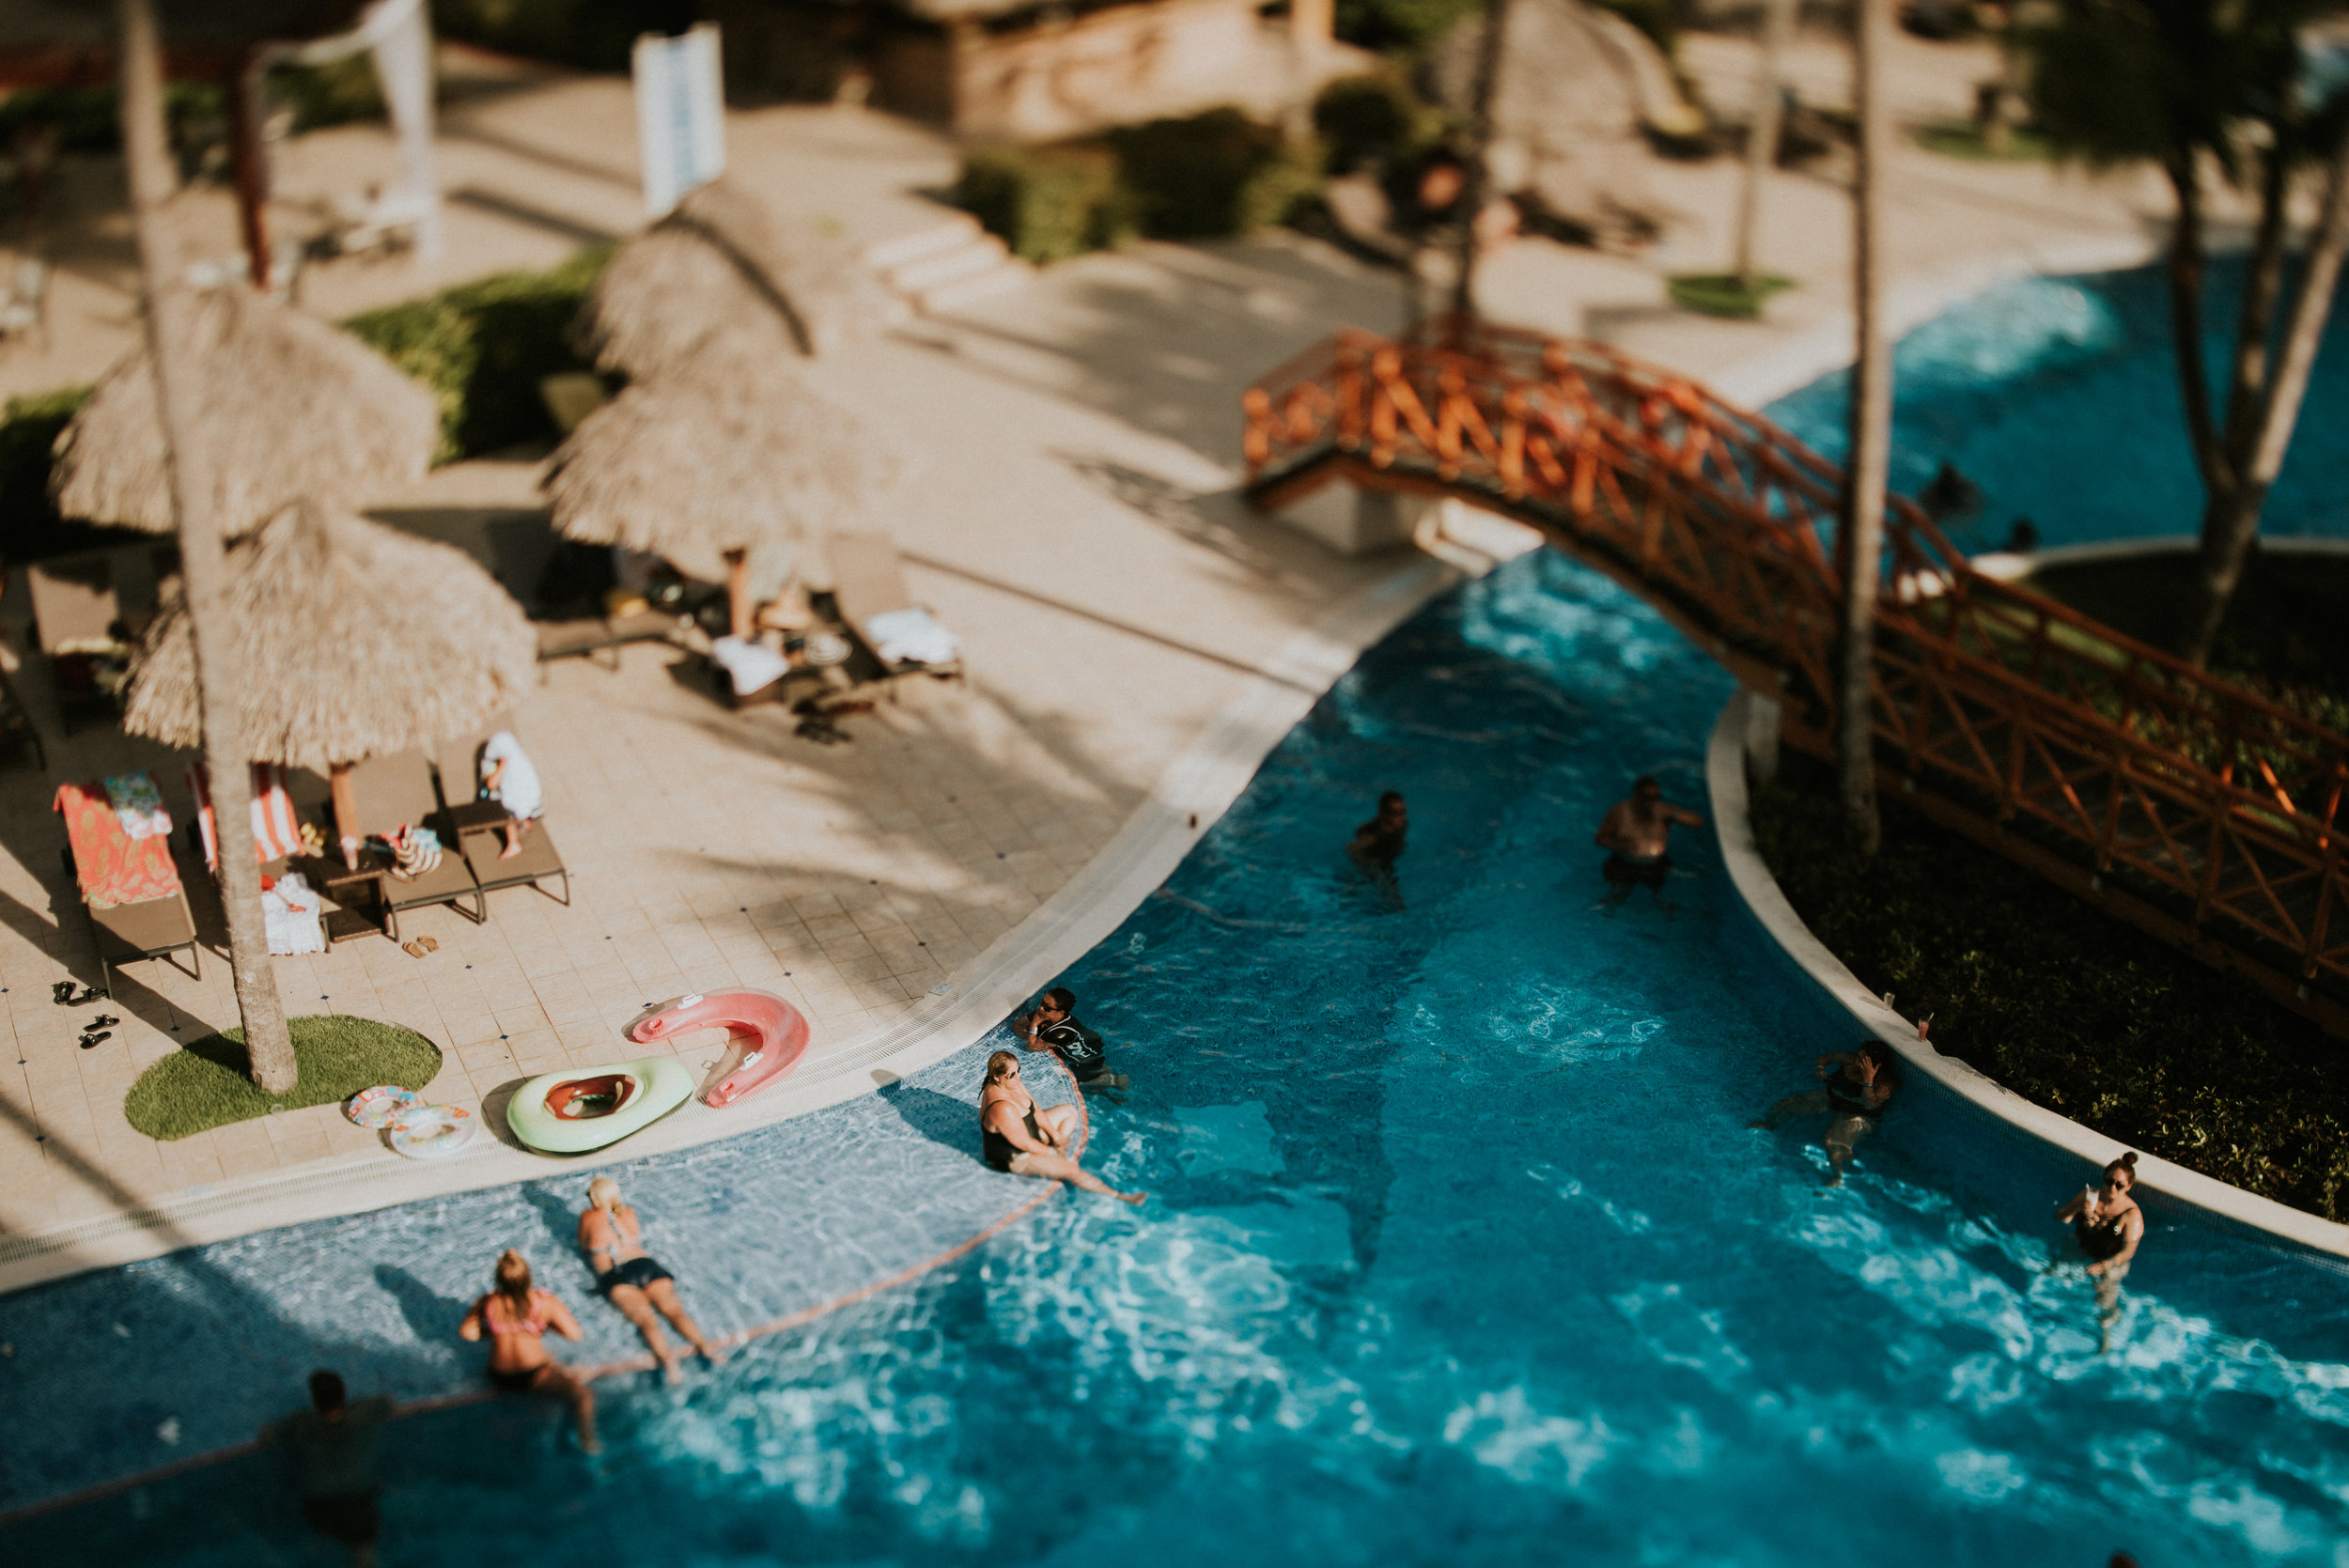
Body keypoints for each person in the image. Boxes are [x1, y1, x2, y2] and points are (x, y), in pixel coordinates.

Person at [577, 1176, 725, 1382]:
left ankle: (670, 1365)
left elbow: (583, 1245)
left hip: (616, 1273)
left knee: (647, 1322)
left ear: (593, 1198)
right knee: (675, 1312)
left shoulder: (587, 1216)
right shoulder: (627, 1212)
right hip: (645, 1266)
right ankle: (706, 1348)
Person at [458, 1250, 598, 1452]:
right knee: (584, 1396)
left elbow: (468, 1333)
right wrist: (543, 1326)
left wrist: (497, 1331)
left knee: (551, 1362)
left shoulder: (488, 1301)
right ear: (527, 1277)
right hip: (534, 1375)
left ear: (499, 1279)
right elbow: (574, 1334)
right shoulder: (544, 1301)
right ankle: (588, 1443)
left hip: (498, 1375)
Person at [1749, 1028, 1910, 1186]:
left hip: (1859, 1113)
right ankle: (1770, 1124)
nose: (1856, 1061)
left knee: (1832, 1141)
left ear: (1876, 1066)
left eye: (1861, 1061)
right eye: (1858, 1056)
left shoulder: (1885, 1083)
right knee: (1787, 1105)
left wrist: (1868, 1079)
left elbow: (1870, 1105)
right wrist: (1820, 1069)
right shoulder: (1849, 1059)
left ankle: (1839, 1178)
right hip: (1834, 1097)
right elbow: (1824, 1059)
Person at [979, 1049, 1144, 1204]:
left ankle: (1059, 1161)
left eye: (1018, 1070)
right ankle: (1123, 1197)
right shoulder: (1001, 1108)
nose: (1017, 1077)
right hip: (1015, 1156)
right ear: (996, 1077)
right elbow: (1025, 1144)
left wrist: (1056, 1137)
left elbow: (1035, 1109)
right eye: (1011, 1074)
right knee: (1072, 1171)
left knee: (1069, 1112)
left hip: (1029, 1133)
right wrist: (1052, 1153)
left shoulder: (1013, 1083)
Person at [268, 1370, 391, 1567]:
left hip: (320, 1506)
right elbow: (387, 1402)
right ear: (344, 1394)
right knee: (363, 1550)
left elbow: (268, 1436)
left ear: (315, 1400)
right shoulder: (362, 1412)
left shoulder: (301, 1423)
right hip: (357, 1502)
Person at [2054, 1152, 2145, 1352]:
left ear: (2129, 1186)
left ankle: (2106, 1332)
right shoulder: (2089, 1196)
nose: (2112, 1188)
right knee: (2056, 1268)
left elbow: (2129, 1251)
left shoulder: (2131, 1214)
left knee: (2104, 1298)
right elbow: (2060, 1217)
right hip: (2086, 1245)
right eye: (2108, 1181)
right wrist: (2078, 1210)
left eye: (2119, 1185)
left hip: (2110, 1258)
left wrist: (2106, 1265)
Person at [1595, 775, 1703, 908]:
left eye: (1656, 797)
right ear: (1636, 796)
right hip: (1625, 864)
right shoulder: (1620, 812)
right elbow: (1600, 838)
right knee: (1615, 898)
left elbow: (1697, 822)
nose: (1651, 802)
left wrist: (1675, 815)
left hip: (1656, 864)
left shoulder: (1663, 811)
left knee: (1660, 899)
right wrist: (1620, 845)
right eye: (1647, 797)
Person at [1019, 986, 1129, 1094]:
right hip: (1084, 1049)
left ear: (1060, 1012)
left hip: (1083, 1062)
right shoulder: (1047, 1014)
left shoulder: (1060, 1033)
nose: (1041, 1008)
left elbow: (1030, 1047)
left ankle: (1115, 1081)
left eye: (1047, 1007)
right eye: (1042, 1003)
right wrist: (1032, 1033)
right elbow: (1017, 1026)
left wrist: (1033, 1024)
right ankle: (1106, 1082)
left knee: (1080, 1084)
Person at [478, 730, 543, 861]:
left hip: (522, 798)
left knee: (514, 801)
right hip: (507, 801)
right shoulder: (491, 763)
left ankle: (518, 833)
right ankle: (518, 833)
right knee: (501, 803)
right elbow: (491, 784)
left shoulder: (517, 759)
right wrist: (503, 763)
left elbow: (526, 779)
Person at [1347, 791, 1408, 905]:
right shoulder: (1375, 835)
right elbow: (1351, 849)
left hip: (1386, 863)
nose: (1401, 818)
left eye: (1403, 812)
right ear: (1383, 814)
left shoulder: (1401, 824)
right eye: (1395, 813)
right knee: (1395, 902)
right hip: (1374, 865)